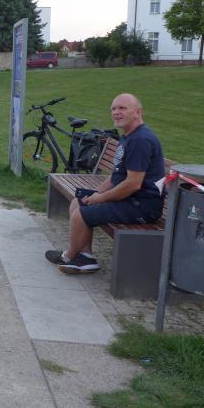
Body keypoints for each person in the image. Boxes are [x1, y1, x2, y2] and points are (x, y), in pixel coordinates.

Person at [45, 93, 165, 274]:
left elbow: (133, 184)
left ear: (137, 112)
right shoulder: (129, 136)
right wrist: (95, 194)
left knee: (80, 215)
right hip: (131, 199)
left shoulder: (141, 140)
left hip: (142, 206)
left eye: (122, 108)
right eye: (113, 109)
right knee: (78, 202)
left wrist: (100, 198)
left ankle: (69, 256)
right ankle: (85, 257)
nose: (116, 112)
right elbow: (116, 176)